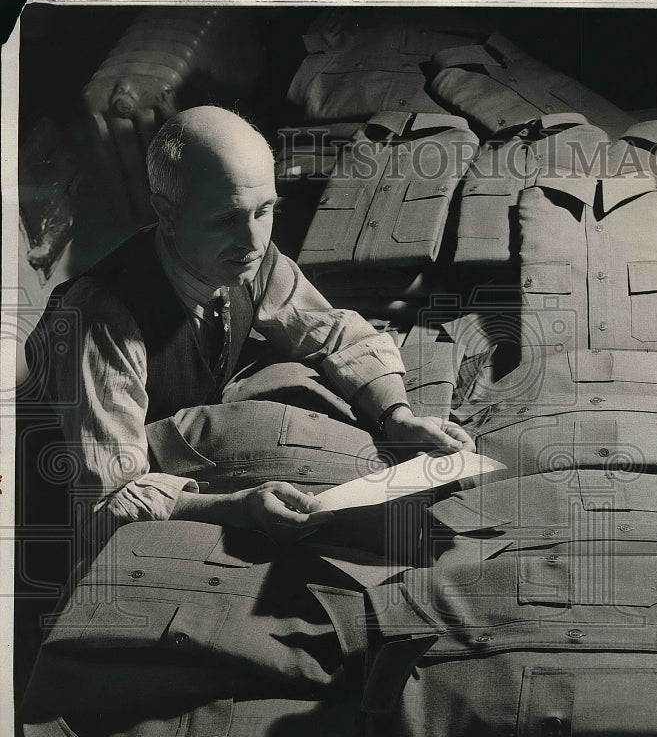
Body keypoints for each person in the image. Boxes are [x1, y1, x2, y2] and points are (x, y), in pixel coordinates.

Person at [34, 106, 474, 548]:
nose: (254, 240)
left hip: (166, 441)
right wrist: (234, 507)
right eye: (226, 219)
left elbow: (334, 332)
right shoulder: (102, 318)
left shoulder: (245, 256)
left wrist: (397, 416)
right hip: (57, 519)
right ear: (166, 214)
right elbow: (109, 500)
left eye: (265, 210)